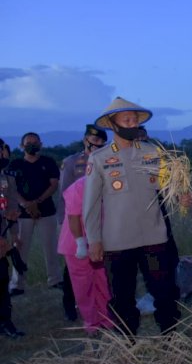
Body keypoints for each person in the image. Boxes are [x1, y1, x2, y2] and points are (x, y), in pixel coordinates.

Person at [84, 96, 181, 335]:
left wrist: (180, 192)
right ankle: (127, 343)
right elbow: (92, 205)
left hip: (154, 237)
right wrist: (93, 239)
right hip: (118, 241)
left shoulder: (153, 152)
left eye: (134, 119)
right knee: (122, 297)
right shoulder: (99, 159)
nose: (132, 123)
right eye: (126, 120)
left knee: (165, 292)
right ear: (113, 124)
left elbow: (167, 187)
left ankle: (172, 337)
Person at [57, 124, 108, 320]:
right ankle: (77, 311)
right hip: (75, 222)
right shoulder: (72, 162)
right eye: (95, 141)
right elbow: (65, 194)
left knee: (102, 278)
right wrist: (68, 228)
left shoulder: (106, 161)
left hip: (99, 223)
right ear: (86, 139)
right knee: (77, 279)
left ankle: (105, 316)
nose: (98, 145)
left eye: (102, 142)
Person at [6, 132, 62, 295]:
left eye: (35, 142)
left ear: (41, 144)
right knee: (20, 248)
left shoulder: (48, 162)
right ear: (22, 146)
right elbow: (11, 188)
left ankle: (55, 279)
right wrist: (25, 204)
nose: (32, 145)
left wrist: (36, 202)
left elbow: (54, 185)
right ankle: (17, 284)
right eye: (28, 142)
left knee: (50, 247)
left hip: (46, 211)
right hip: (21, 214)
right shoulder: (15, 165)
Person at [57, 176, 113, 334]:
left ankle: (108, 319)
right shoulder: (79, 186)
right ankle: (92, 323)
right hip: (76, 243)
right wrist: (81, 243)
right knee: (83, 286)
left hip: (101, 240)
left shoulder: (113, 181)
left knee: (103, 281)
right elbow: (73, 216)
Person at [0, 154, 24, 338]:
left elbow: (11, 207)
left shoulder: (6, 177)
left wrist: (15, 234)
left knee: (2, 280)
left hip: (3, 234)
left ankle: (5, 322)